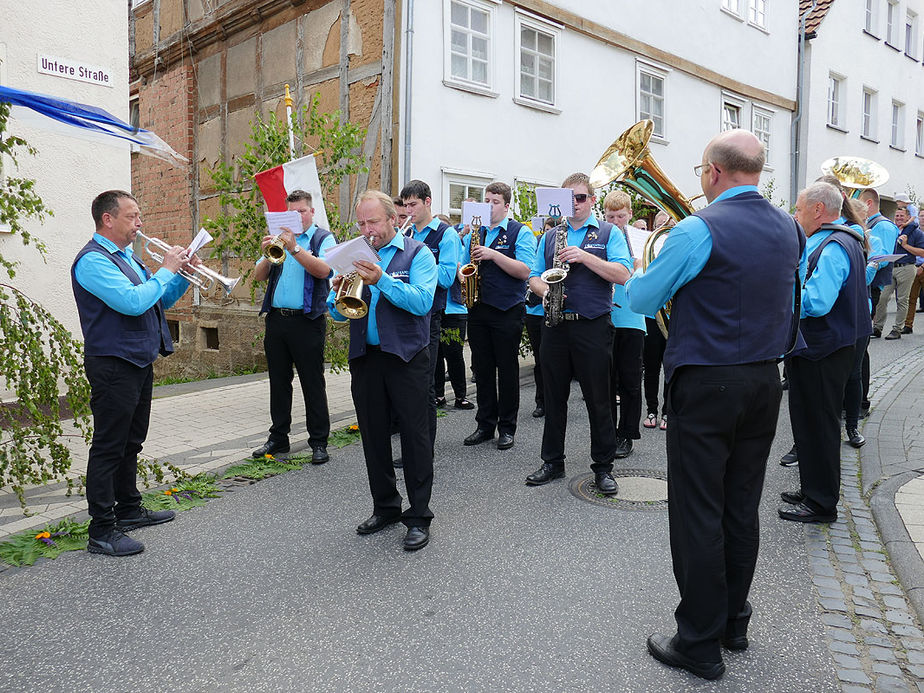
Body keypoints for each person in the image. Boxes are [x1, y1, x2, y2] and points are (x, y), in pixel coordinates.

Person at [625, 130, 803, 680]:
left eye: (701, 170)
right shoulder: (790, 227)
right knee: (739, 505)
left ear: (714, 173)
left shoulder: (696, 228)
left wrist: (639, 271)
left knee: (698, 510)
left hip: (707, 382)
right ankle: (733, 622)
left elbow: (641, 299)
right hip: (763, 381)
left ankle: (698, 642)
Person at [72, 190, 198, 556]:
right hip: (112, 363)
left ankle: (128, 509)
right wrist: (165, 270)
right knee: (109, 446)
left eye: (139, 216)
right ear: (107, 220)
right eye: (132, 216)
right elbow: (131, 302)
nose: (140, 224)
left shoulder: (127, 257)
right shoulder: (93, 262)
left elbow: (155, 303)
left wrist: (182, 276)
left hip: (138, 361)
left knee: (132, 442)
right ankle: (101, 529)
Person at [328, 191, 437, 551]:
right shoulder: (354, 254)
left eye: (372, 222)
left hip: (407, 358)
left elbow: (422, 302)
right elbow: (336, 313)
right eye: (361, 223)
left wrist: (382, 281)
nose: (366, 230)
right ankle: (386, 507)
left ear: (393, 219)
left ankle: (419, 515)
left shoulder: (417, 254)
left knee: (415, 438)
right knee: (373, 436)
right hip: (366, 357)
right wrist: (337, 294)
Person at [526, 172, 631, 495]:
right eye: (568, 198)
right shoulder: (550, 236)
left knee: (599, 399)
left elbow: (623, 273)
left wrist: (584, 255)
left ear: (593, 200)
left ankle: (603, 467)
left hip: (592, 324)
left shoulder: (608, 232)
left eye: (581, 197)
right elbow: (532, 276)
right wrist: (545, 291)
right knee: (554, 397)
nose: (574, 203)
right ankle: (552, 461)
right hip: (556, 324)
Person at [780, 182, 870, 526]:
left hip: (824, 348)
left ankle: (821, 503)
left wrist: (780, 288)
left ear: (818, 210)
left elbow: (816, 303)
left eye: (800, 209)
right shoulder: (839, 238)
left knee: (819, 424)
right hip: (823, 348)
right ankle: (812, 490)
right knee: (809, 422)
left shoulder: (833, 246)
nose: (795, 214)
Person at [251, 190, 335, 463]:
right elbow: (258, 275)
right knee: (278, 381)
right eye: (292, 212)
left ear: (311, 212)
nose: (297, 216)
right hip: (277, 320)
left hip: (307, 321)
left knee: (312, 382)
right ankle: (278, 438)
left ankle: (319, 441)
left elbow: (324, 271)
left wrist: (295, 248)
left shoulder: (322, 238)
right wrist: (268, 253)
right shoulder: (279, 239)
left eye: (301, 211)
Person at [461, 182, 537, 450]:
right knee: (481, 369)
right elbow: (464, 264)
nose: (490, 205)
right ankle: (484, 424)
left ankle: (507, 427)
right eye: (487, 200)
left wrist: (493, 254)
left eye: (495, 201)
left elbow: (525, 270)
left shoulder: (521, 232)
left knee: (506, 369)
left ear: (506, 206)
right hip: (478, 307)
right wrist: (462, 271)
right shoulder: (476, 231)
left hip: (507, 309)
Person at [401, 180, 462, 451]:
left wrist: (419, 262)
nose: (409, 211)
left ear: (427, 202)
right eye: (405, 206)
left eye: (413, 204)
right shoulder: (406, 233)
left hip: (430, 315)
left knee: (424, 383)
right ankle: (410, 441)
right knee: (407, 383)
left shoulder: (445, 235)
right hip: (405, 313)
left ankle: (423, 448)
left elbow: (448, 277)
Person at [602, 190, 645, 458]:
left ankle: (627, 433)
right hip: (605, 316)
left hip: (631, 317)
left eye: (620, 216)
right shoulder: (601, 237)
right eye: (610, 216)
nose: (616, 221)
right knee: (606, 380)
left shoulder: (640, 241)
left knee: (629, 380)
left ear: (629, 214)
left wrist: (638, 266)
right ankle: (607, 432)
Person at [523, 216, 556, 419]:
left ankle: (554, 400)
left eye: (549, 229)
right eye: (544, 229)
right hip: (535, 311)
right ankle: (541, 401)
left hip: (554, 310)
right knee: (540, 359)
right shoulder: (538, 244)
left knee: (553, 361)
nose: (545, 232)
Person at [877, 206, 924, 339]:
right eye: (897, 216)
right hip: (890, 267)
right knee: (882, 297)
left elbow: (922, 252)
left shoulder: (916, 233)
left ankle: (897, 329)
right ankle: (877, 327)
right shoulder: (892, 231)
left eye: (901, 216)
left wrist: (906, 246)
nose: (898, 218)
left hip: (907, 267)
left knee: (903, 299)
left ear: (908, 218)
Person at [860, 189, 900, 338]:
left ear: (868, 203)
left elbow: (883, 258)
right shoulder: (871, 223)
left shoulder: (883, 225)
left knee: (861, 336)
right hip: (868, 280)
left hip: (873, 282)